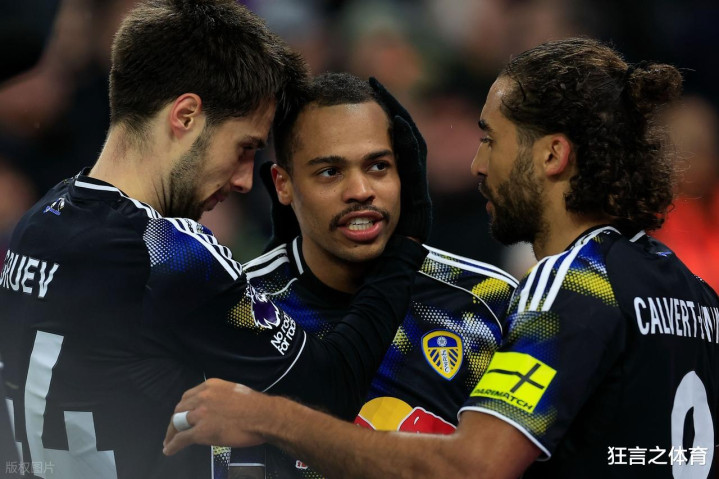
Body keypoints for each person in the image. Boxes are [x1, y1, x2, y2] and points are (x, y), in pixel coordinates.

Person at [164, 38, 719, 478]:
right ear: (284, 185)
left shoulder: (555, 289)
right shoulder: (697, 295)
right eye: (330, 171)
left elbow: (473, 466)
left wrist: (269, 416)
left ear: (553, 154)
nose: (477, 164)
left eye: (491, 139)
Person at [0, 1, 431, 478]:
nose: (245, 180)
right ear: (186, 116)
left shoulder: (40, 222)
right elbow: (330, 389)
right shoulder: (167, 251)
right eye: (245, 147)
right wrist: (405, 247)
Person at [217, 73, 517, 478]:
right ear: (283, 185)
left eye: (378, 166)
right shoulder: (239, 310)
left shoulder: (489, 303)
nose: (360, 190)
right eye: (330, 172)